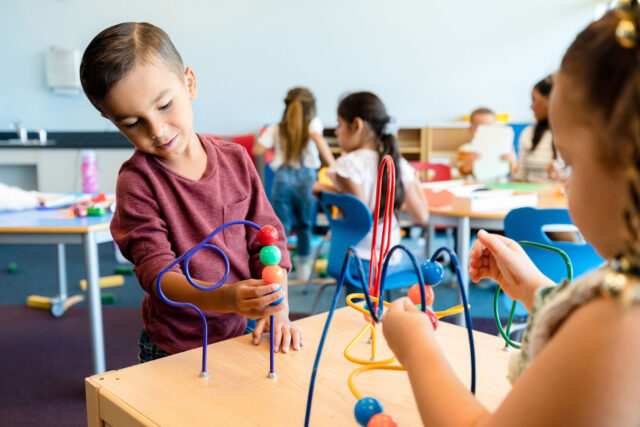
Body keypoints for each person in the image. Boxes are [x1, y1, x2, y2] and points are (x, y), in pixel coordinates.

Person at [382, 7, 640, 425]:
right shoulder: (620, 293)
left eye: (571, 161)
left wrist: (415, 346)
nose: (567, 184)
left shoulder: (614, 325)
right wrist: (533, 290)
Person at [79, 22, 302, 361]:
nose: (157, 130)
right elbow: (158, 274)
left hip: (241, 332)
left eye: (164, 105)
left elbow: (269, 242)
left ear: (189, 83)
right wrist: (226, 298)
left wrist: (278, 307)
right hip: (174, 347)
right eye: (132, 123)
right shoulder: (137, 182)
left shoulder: (236, 160)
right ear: (110, 119)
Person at [311, 92, 429, 267]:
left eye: (339, 124)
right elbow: (422, 215)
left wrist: (321, 187)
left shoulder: (347, 165)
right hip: (390, 260)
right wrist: (414, 182)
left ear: (357, 125)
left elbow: (359, 208)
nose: (336, 131)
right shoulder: (399, 164)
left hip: (354, 259)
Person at [253, 88, 335, 281]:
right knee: (304, 225)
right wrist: (335, 167)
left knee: (280, 226)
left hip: (283, 177)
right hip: (307, 179)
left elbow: (257, 149)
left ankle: (280, 267)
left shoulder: (275, 129)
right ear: (311, 108)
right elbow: (319, 139)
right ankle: (304, 267)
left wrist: (275, 150)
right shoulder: (313, 124)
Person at [513, 75, 569, 183]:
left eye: (534, 100)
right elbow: (521, 176)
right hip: (533, 196)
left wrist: (563, 176)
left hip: (560, 196)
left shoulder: (575, 135)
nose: (531, 106)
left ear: (551, 100)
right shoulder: (528, 134)